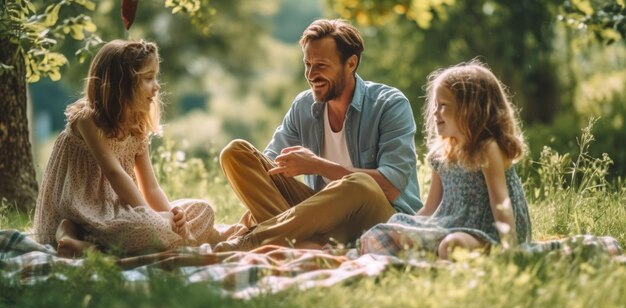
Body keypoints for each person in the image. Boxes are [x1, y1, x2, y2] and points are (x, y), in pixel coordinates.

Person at [215, 19, 422, 252]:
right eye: (307, 64)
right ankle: (303, 242)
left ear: (351, 63)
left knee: (360, 184)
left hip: (379, 221)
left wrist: (316, 165)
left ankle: (252, 241)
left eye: (321, 66)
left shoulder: (389, 104)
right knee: (235, 153)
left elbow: (391, 186)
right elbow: (269, 168)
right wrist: (265, 178)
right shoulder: (304, 106)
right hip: (319, 219)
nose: (311, 74)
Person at [32, 39, 220, 257]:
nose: (157, 86)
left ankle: (94, 248)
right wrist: (153, 219)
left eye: (155, 77)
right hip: (82, 213)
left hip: (119, 213)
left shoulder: (136, 125)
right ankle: (75, 234)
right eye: (149, 78)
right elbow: (115, 174)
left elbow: (150, 188)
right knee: (152, 229)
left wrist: (172, 217)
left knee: (203, 211)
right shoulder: (87, 120)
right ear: (122, 85)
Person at [359, 60, 532, 259]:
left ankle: (438, 257)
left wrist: (509, 246)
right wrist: (407, 228)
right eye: (435, 105)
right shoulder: (440, 154)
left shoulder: (486, 148)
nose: (435, 112)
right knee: (394, 229)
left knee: (452, 245)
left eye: (443, 105)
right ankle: (425, 254)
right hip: (450, 224)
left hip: (488, 231)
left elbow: (501, 202)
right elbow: (431, 208)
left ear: (470, 109)